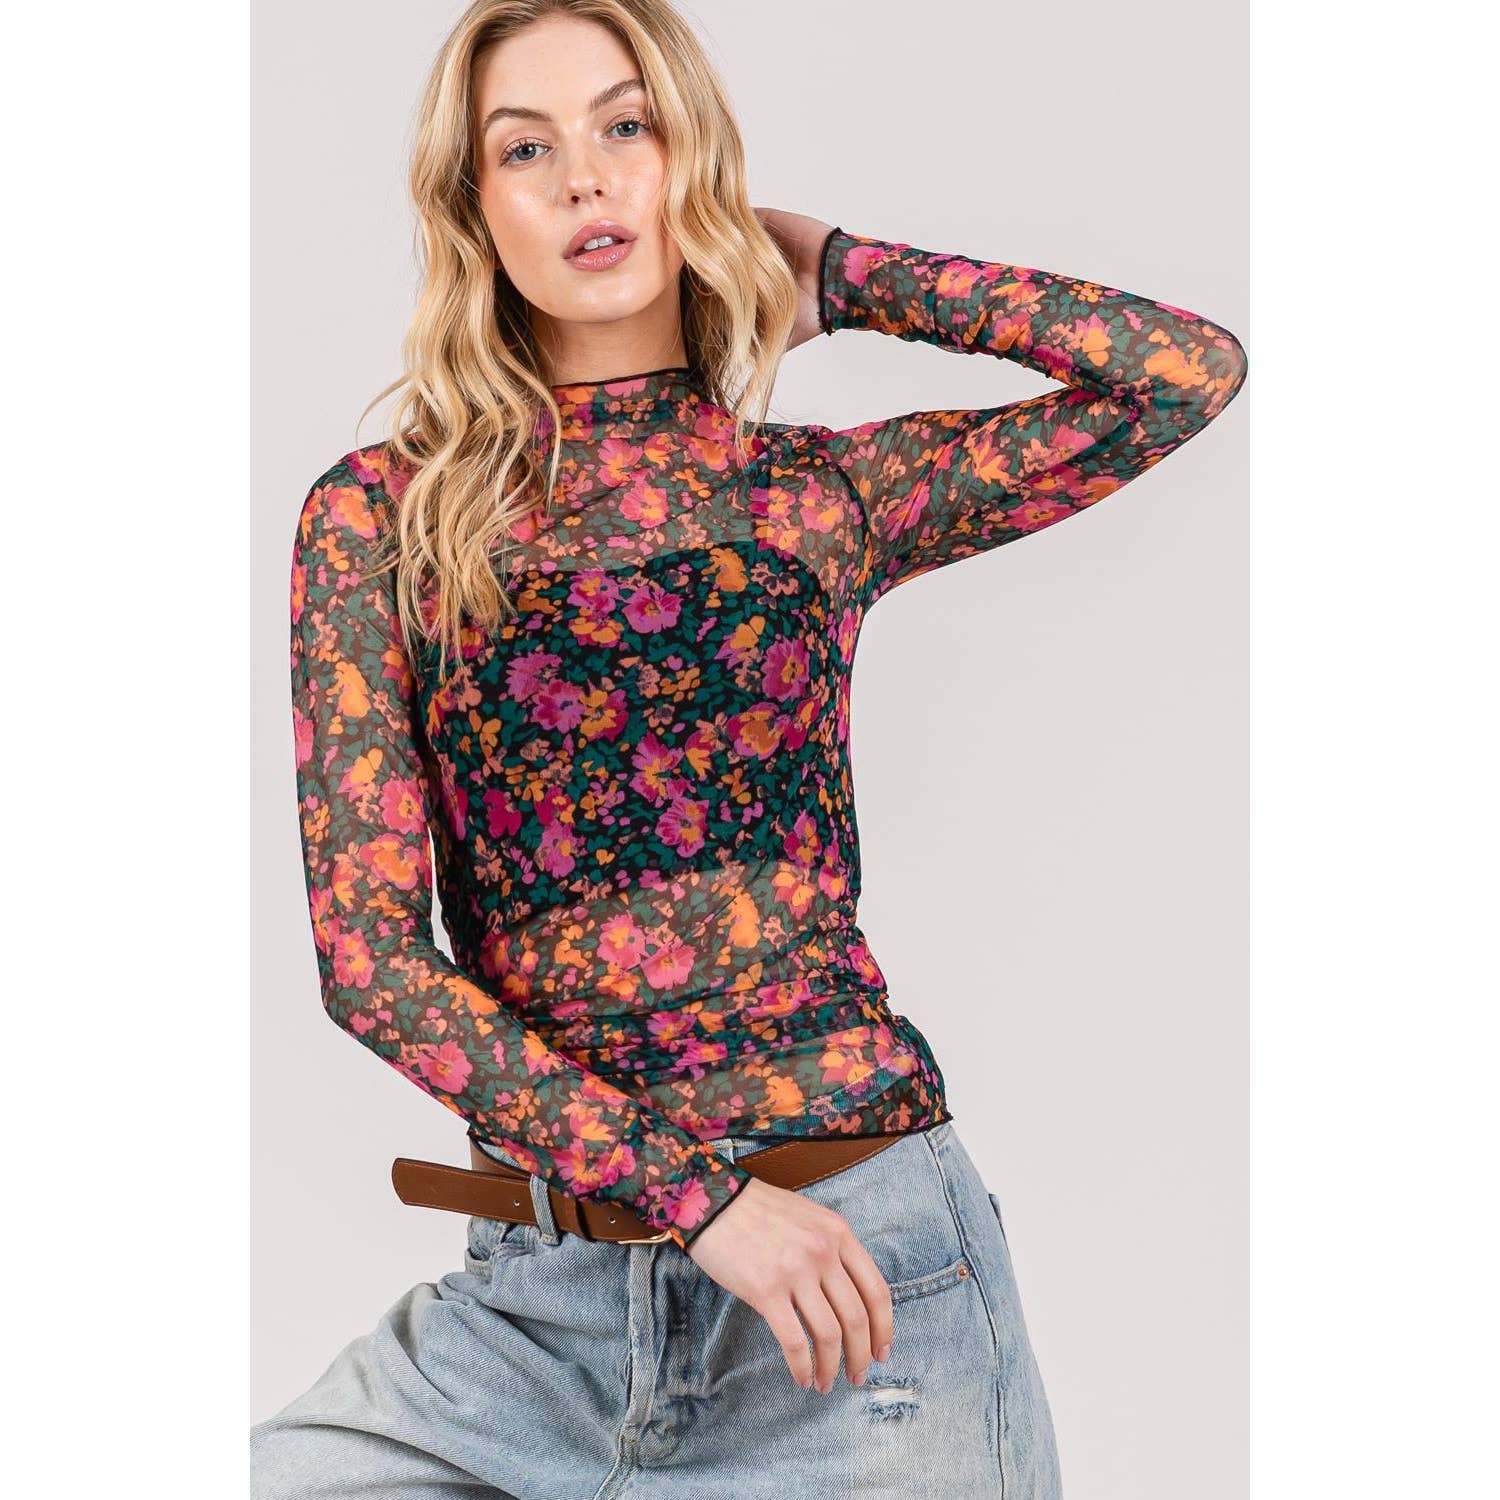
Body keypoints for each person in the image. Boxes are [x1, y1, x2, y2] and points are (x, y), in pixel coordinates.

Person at [250, 0, 1247, 1495]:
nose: (587, 177)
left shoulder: (813, 498)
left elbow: (1180, 373)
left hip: (857, 1291)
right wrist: (699, 1202)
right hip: (534, 1324)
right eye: (525, 149)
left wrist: (839, 274)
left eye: (627, 125)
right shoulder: (380, 518)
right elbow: (371, 964)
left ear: (693, 162)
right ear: (474, 211)